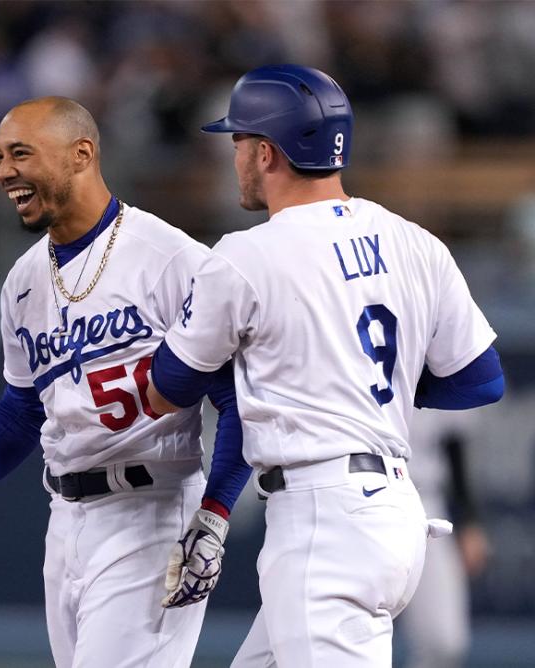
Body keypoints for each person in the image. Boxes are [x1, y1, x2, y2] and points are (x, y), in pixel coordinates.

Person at [146, 64, 505, 667]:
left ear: (266, 152)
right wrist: (361, 383)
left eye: (237, 142)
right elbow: (479, 379)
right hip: (392, 512)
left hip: (325, 520)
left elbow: (166, 390)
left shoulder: (246, 255)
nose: (233, 156)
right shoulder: (413, 240)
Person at [0, 96, 248, 668]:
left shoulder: (171, 258)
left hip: (153, 512)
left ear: (81, 154)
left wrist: (215, 516)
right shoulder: (24, 279)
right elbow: (23, 411)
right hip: (66, 521)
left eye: (21, 154)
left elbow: (236, 400)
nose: (4, 172)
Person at [399, 409, 490, 668]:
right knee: (349, 634)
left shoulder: (431, 366)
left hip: (424, 496)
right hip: (353, 497)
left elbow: (454, 441)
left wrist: (469, 519)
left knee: (444, 642)